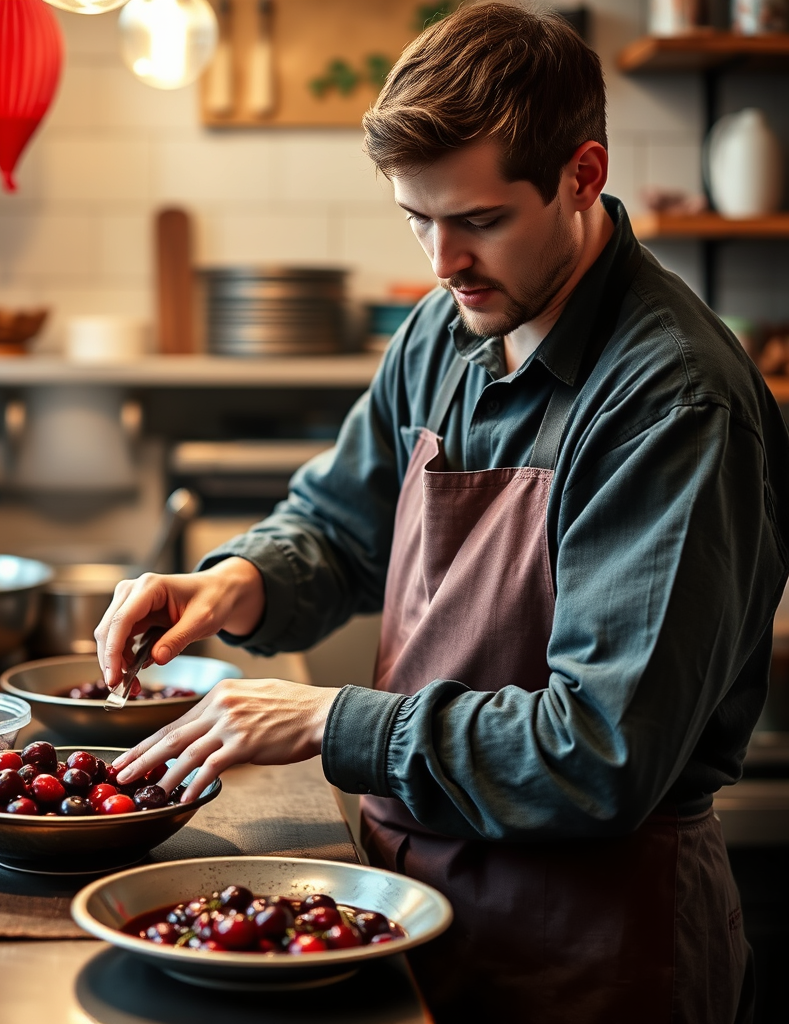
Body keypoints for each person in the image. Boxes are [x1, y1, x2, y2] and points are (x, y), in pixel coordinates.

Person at [95, 5, 789, 1021]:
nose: (439, 260)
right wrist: (231, 582)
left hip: (591, 938)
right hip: (414, 898)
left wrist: (331, 718)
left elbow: (599, 752)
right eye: (416, 217)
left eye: (478, 219)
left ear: (582, 177)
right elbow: (335, 526)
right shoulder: (442, 330)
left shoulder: (671, 402)